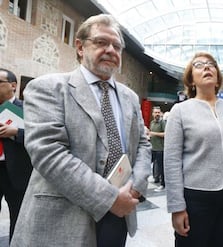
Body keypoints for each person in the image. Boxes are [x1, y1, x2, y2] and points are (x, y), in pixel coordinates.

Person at [10, 14, 152, 246]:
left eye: (116, 46)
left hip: (119, 216)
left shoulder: (130, 97)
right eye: (100, 42)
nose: (110, 50)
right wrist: (109, 198)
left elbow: (143, 144)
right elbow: (49, 153)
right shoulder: (48, 88)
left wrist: (136, 187)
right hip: (64, 217)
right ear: (80, 46)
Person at [164, 51, 223, 247]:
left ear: (217, 77)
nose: (207, 67)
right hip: (196, 196)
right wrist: (176, 207)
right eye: (199, 65)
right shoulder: (180, 111)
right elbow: (171, 161)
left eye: (211, 64)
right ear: (191, 80)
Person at [0, 68, 32, 242]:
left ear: (13, 85)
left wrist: (15, 132)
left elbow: (41, 137)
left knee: (18, 220)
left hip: (17, 173)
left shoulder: (28, 109)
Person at [149, 106, 166, 191]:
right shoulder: (152, 123)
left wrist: (153, 133)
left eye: (158, 112)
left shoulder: (162, 122)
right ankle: (156, 178)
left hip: (161, 149)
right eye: (155, 112)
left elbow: (165, 134)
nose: (157, 114)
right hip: (153, 148)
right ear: (152, 114)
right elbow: (151, 133)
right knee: (152, 165)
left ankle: (163, 184)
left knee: (161, 167)